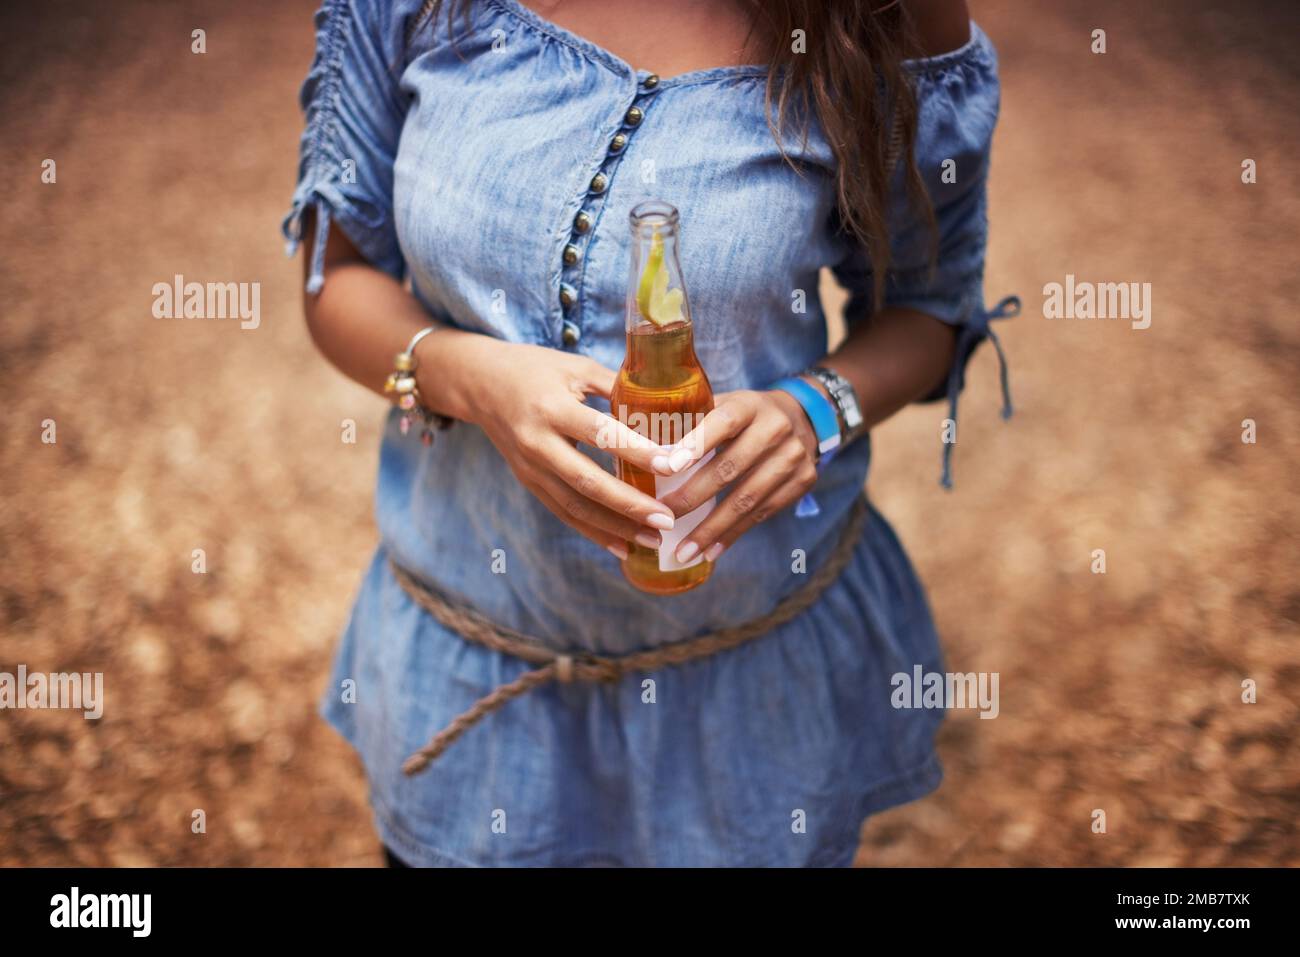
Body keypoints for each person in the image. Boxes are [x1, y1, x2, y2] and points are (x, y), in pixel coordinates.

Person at [283, 0, 1015, 866]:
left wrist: (813, 411)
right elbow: (339, 279)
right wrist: (465, 378)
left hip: (747, 699)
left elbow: (928, 314)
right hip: (477, 674)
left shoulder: (889, 12)